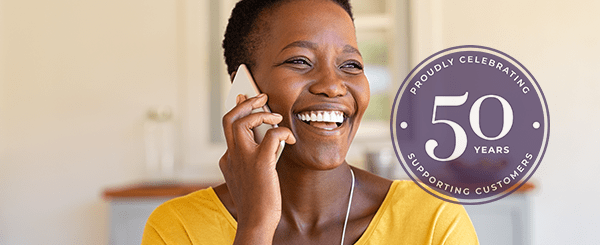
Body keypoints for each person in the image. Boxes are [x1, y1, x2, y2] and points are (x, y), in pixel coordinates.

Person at [142, 0, 479, 244]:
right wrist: (256, 227)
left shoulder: (433, 222)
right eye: (300, 61)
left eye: (350, 65)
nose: (333, 85)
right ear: (243, 87)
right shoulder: (178, 229)